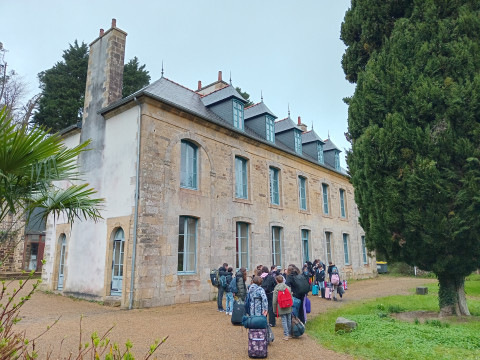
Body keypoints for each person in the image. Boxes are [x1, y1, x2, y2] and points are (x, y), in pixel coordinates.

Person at [272, 275, 292, 341]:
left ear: (276, 281)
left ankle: (286, 335)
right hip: (288, 305)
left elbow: (274, 301)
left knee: (284, 320)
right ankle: (289, 333)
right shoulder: (287, 287)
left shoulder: (276, 289)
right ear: (283, 280)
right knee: (289, 319)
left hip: (281, 306)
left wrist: (274, 309)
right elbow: (291, 297)